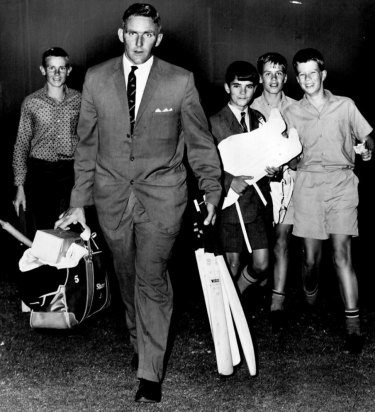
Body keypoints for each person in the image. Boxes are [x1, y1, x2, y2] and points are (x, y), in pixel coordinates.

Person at [55, 3, 222, 403]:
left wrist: (212, 188)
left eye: (148, 34)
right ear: (121, 34)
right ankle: (139, 340)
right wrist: (79, 200)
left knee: (151, 277)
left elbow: (200, 142)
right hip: (112, 196)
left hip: (163, 196)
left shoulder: (180, 81)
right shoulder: (96, 79)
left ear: (158, 38)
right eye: (133, 33)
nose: (140, 41)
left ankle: (150, 371)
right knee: (127, 276)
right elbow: (86, 145)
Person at [283, 48, 373, 354]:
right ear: (297, 78)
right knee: (311, 260)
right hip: (307, 185)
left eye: (313, 73)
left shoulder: (345, 106)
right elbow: (284, 154)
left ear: (323, 74)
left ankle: (353, 328)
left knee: (341, 254)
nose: (308, 79)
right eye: (302, 75)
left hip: (342, 183)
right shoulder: (291, 112)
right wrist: (282, 163)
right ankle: (310, 294)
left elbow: (368, 136)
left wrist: (367, 147)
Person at [209, 61, 277, 297]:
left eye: (249, 87)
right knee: (233, 264)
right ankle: (228, 314)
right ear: (227, 88)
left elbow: (268, 156)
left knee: (262, 264)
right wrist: (229, 180)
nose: (242, 92)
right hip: (230, 204)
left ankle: (234, 297)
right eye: (237, 86)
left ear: (256, 89)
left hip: (256, 204)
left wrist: (272, 170)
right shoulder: (214, 122)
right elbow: (204, 164)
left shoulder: (259, 119)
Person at [12, 47, 81, 238]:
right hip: (40, 173)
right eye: (52, 68)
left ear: (69, 70)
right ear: (43, 70)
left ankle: (69, 269)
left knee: (70, 229)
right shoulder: (31, 102)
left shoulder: (80, 100)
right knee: (44, 231)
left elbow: (89, 139)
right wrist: (20, 186)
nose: (57, 73)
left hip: (70, 173)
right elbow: (22, 144)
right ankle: (46, 268)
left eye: (61, 68)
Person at [251, 52, 297, 330]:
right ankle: (261, 280)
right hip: (258, 184)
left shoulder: (296, 106)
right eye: (268, 73)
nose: (274, 78)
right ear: (260, 77)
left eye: (279, 73)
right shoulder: (249, 105)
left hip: (288, 181)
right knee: (262, 242)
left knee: (282, 237)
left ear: (286, 77)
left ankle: (277, 301)